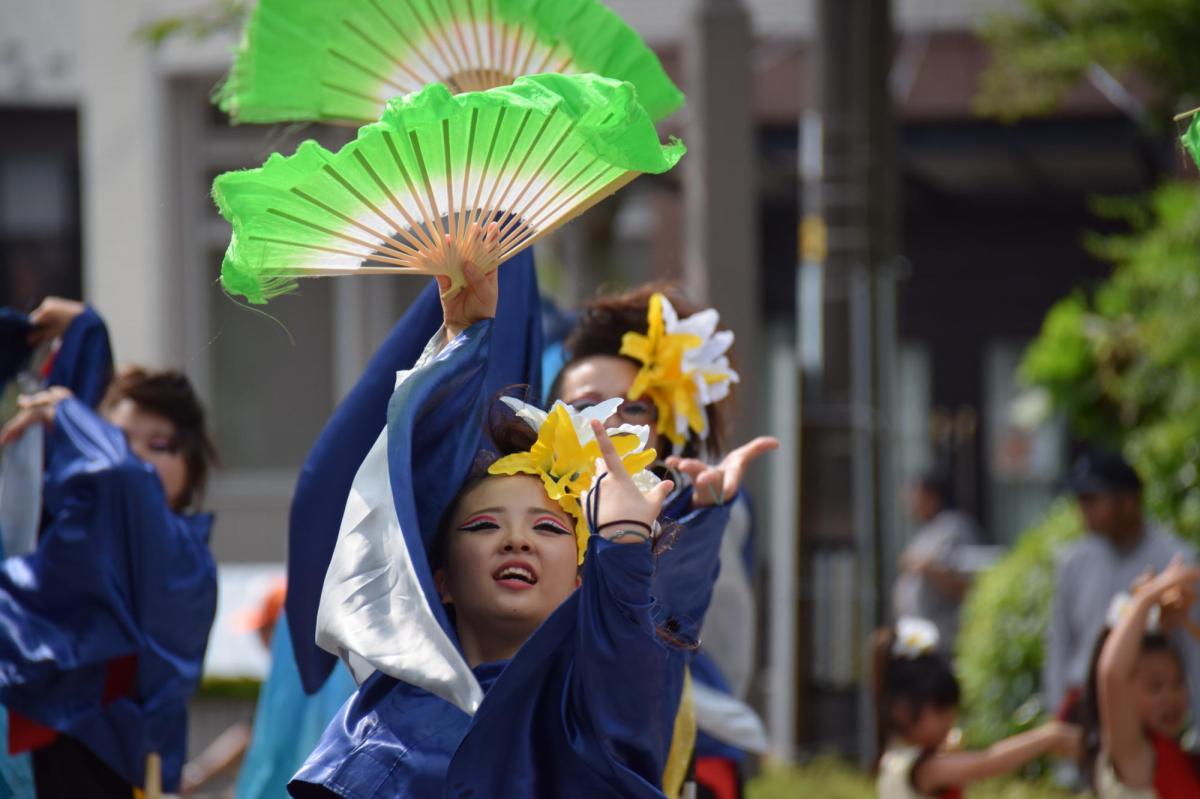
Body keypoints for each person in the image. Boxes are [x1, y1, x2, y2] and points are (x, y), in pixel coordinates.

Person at [288, 263, 771, 797]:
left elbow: (645, 633)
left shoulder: (586, 713)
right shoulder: (386, 733)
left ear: (582, 582)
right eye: (484, 526)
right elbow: (418, 482)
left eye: (548, 528)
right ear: (439, 579)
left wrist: (655, 531)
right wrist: (464, 340)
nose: (611, 421)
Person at [551, 285, 775, 798]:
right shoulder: (515, 504)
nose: (609, 421)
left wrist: (702, 517)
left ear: (663, 434)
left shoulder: (690, 512)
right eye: (585, 404)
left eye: (635, 409)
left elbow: (677, 630)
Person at [0, 297, 219, 797]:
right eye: (118, 437)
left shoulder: (187, 558)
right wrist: (85, 333)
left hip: (111, 770)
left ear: (191, 467)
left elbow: (119, 478)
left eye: (158, 445)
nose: (138, 456)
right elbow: (91, 475)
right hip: (36, 749)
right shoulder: (85, 524)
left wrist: (71, 417)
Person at [1045, 450, 1200, 725]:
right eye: (1080, 500)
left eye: (1092, 499)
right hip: (1084, 710)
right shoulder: (1073, 562)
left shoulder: (1176, 561)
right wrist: (1058, 715)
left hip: (1149, 717)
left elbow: (1192, 650)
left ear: (1128, 501)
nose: (1083, 509)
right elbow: (1060, 645)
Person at [875, 618, 1079, 799]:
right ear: (902, 710)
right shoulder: (925, 769)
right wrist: (1050, 737)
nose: (950, 719)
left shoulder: (894, 759)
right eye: (941, 710)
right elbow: (985, 764)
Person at [1079, 560, 1200, 797]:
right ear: (1123, 694)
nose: (1171, 696)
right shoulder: (1134, 757)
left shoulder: (1177, 754)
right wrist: (1148, 598)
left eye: (1178, 683)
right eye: (1155, 687)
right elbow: (1113, 674)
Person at [892, 469, 980, 654]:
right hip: (919, 632)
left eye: (914, 494)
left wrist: (927, 568)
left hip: (943, 635)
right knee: (883, 647)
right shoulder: (929, 529)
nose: (909, 501)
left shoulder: (954, 526)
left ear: (931, 496)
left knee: (884, 648)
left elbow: (966, 586)